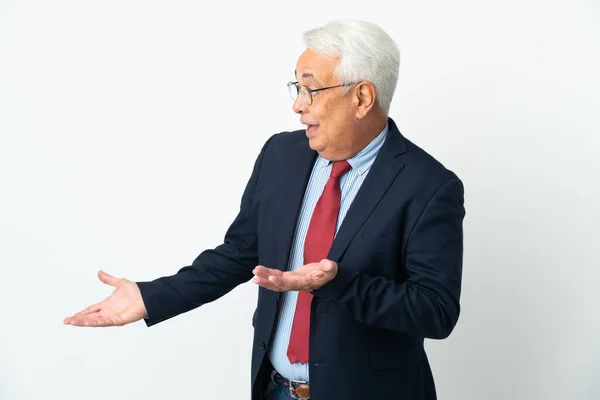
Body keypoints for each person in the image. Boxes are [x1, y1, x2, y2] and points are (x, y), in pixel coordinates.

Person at [64, 18, 466, 400]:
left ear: (362, 97)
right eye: (297, 87)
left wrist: (338, 282)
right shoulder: (281, 155)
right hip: (274, 387)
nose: (298, 106)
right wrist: (151, 297)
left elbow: (436, 311)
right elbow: (240, 253)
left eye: (311, 90)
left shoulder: (429, 186)